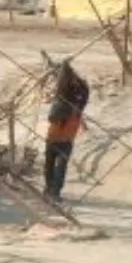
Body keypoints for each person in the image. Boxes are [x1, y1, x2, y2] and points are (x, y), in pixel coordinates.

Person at [45, 60, 90, 199]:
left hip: (56, 137)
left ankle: (51, 190)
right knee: (58, 166)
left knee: (52, 165)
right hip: (67, 137)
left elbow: (51, 117)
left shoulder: (63, 101)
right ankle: (53, 191)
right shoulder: (77, 102)